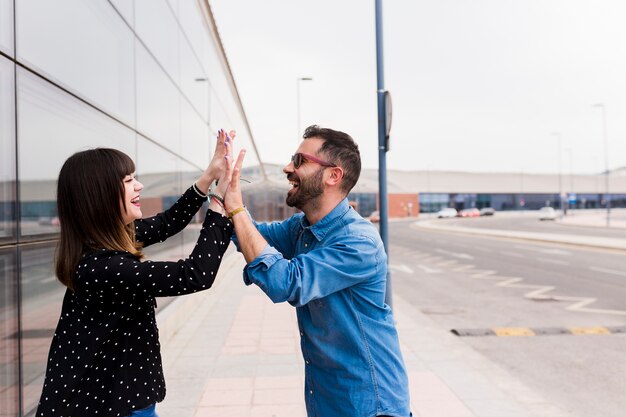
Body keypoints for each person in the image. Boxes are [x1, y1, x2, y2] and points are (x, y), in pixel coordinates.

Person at [36, 130, 236, 417]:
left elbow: (168, 222)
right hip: (110, 406)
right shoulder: (103, 267)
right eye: (129, 180)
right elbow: (194, 275)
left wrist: (209, 177)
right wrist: (218, 206)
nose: (139, 185)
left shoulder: (102, 243)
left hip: (117, 400)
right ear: (100, 195)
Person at [224, 125, 411, 416]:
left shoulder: (358, 242)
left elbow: (286, 282)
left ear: (332, 176)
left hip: (369, 405)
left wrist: (236, 209)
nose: (288, 168)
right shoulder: (302, 228)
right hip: (327, 400)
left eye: (299, 161)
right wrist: (224, 193)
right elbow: (253, 236)